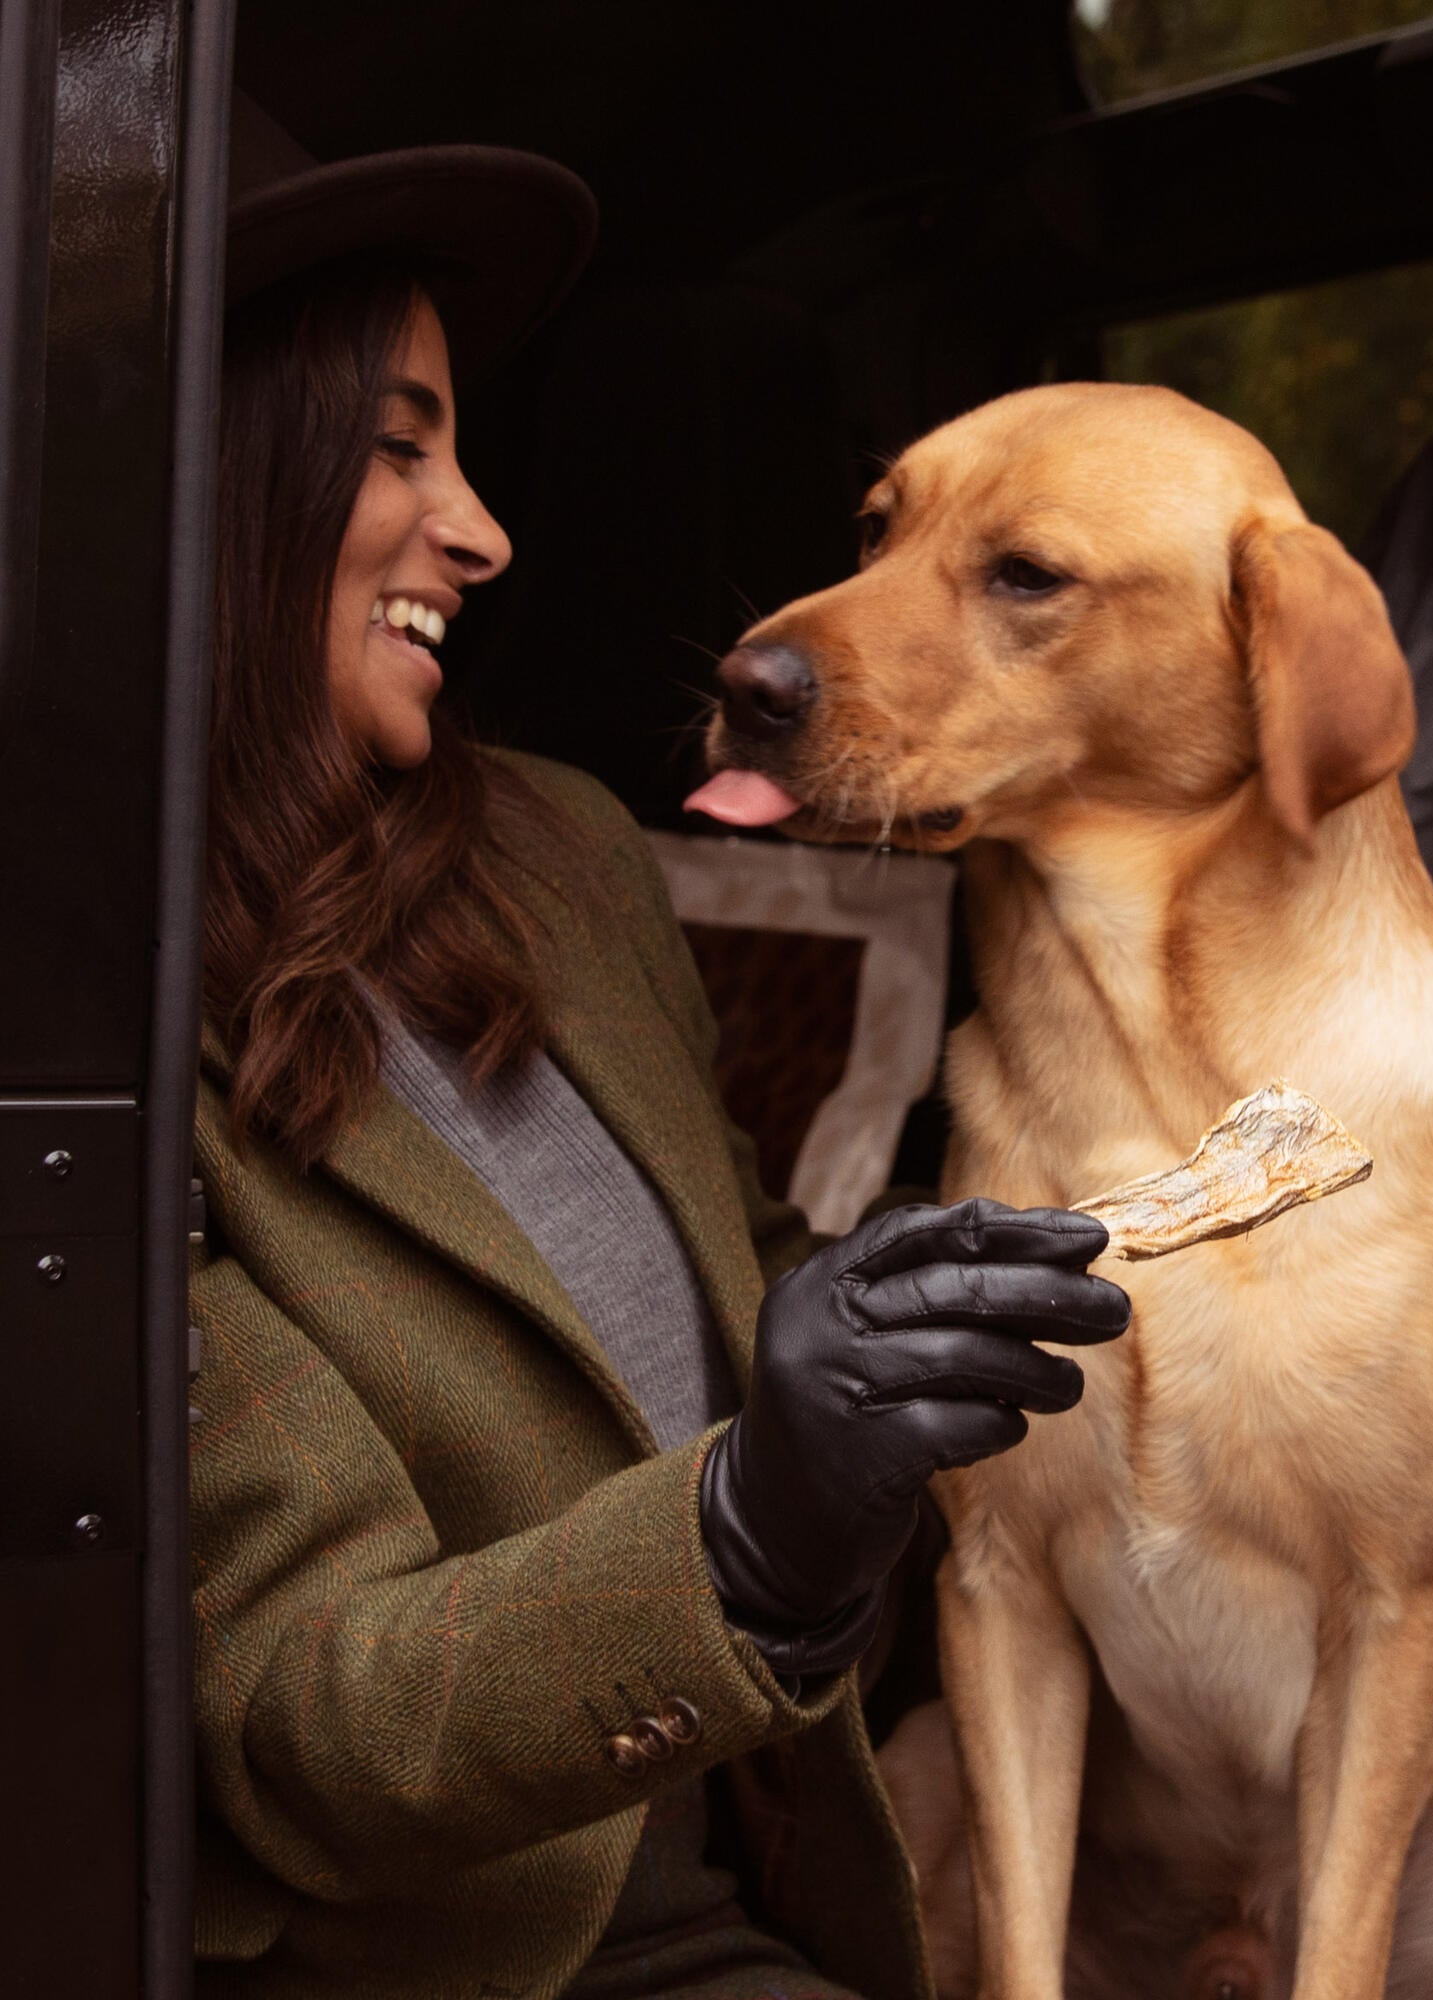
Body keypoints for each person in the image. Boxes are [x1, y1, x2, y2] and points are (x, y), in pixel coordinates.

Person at [190, 103, 1129, 2000]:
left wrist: (894, 1333)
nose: (482, 530)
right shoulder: (82, 1011)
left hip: (776, 1902)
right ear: (208, 479)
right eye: (397, 448)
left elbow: (751, 1276)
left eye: (464, 447)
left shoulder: (556, 848)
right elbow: (304, 1725)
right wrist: (745, 1535)